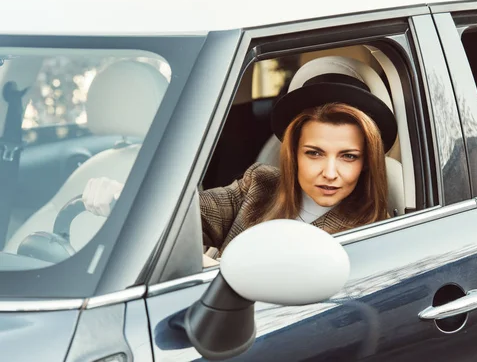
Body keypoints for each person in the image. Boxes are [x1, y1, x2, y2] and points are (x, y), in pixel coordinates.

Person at [83, 56, 398, 253]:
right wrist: (126, 198)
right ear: (293, 154)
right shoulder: (260, 183)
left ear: (367, 162)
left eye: (348, 157)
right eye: (314, 153)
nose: (330, 172)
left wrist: (211, 265)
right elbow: (186, 216)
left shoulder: (372, 230)